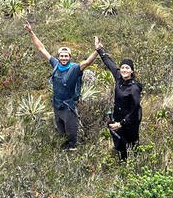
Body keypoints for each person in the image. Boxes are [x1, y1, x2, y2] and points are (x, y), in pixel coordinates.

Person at [25, 21, 98, 149]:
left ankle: (73, 152)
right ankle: (63, 152)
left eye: (66, 56)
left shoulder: (75, 68)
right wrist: (31, 32)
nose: (63, 58)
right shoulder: (55, 64)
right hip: (56, 105)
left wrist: (97, 50)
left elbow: (87, 62)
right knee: (61, 133)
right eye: (61, 56)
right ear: (58, 57)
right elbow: (41, 48)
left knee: (71, 134)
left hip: (68, 107)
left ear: (70, 57)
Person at [94, 35, 142, 160]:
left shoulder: (134, 88)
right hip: (118, 118)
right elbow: (109, 63)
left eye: (127, 68)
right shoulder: (119, 77)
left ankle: (134, 164)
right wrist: (99, 50)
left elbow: (135, 109)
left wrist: (121, 124)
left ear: (132, 71)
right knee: (120, 146)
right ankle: (122, 162)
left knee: (132, 145)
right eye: (123, 67)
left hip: (130, 123)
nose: (124, 70)